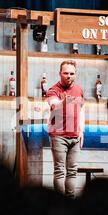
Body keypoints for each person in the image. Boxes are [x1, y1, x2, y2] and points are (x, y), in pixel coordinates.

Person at [46, 60, 85, 198]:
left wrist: (81, 131)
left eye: (72, 73)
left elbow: (81, 111)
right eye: (66, 73)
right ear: (60, 73)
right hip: (58, 135)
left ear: (75, 74)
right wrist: (64, 101)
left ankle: (70, 202)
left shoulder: (79, 90)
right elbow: (54, 105)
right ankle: (59, 203)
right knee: (59, 171)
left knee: (72, 171)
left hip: (75, 135)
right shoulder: (53, 90)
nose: (69, 76)